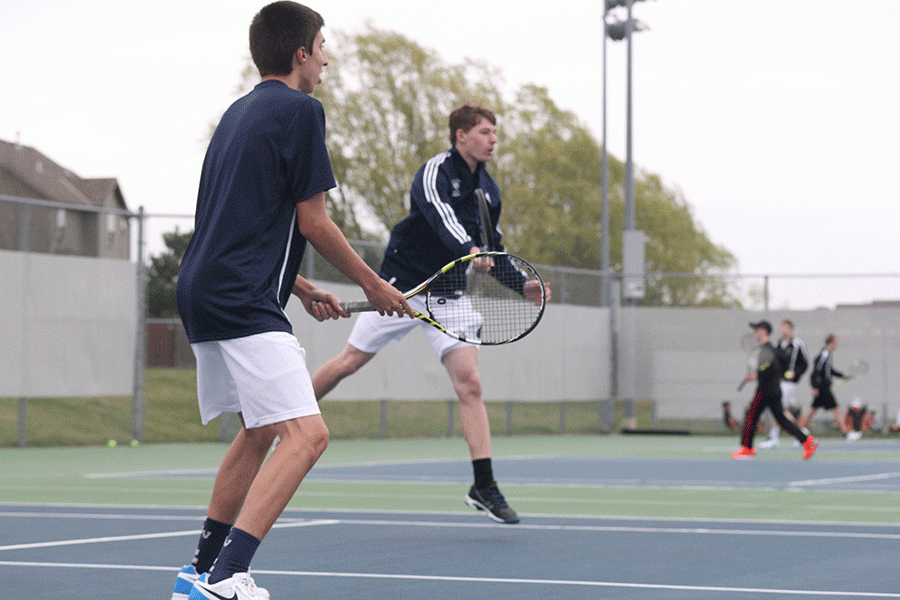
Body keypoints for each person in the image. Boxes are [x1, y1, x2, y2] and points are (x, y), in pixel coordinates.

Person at [170, 4, 413, 599]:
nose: (328, 58)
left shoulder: (236, 114)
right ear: (301, 53)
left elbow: (231, 218)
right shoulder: (303, 111)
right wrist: (375, 286)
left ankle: (197, 574)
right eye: (323, 46)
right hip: (240, 296)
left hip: (202, 288)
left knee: (258, 429)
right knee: (307, 436)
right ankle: (227, 577)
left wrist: (301, 287)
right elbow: (315, 222)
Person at [311, 104, 550, 525]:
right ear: (461, 135)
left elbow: (491, 242)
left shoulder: (490, 191)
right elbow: (440, 217)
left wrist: (520, 284)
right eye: (486, 131)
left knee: (470, 385)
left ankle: (483, 485)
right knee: (348, 363)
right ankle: (283, 417)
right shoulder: (435, 171)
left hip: (449, 295)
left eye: (495, 132)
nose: (494, 139)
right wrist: (468, 251)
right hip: (401, 286)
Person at [732, 321, 818, 460]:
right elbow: (777, 368)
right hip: (774, 389)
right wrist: (755, 376)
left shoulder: (768, 349)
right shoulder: (772, 348)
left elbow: (769, 370)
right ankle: (807, 442)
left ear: (764, 331)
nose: (754, 332)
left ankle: (747, 448)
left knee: (751, 416)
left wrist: (757, 376)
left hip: (765, 390)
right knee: (782, 419)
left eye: (757, 329)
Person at [758, 319, 809, 448]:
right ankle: (801, 433)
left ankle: (776, 436)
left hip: (790, 383)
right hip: (779, 382)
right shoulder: (776, 344)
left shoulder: (797, 344)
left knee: (778, 410)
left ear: (791, 329)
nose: (784, 330)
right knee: (779, 410)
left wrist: (795, 374)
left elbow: (805, 363)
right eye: (782, 327)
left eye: (786, 328)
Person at [798, 334, 851, 435]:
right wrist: (816, 387)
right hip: (823, 388)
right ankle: (845, 433)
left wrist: (842, 375)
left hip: (823, 387)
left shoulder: (828, 355)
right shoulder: (824, 354)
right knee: (836, 410)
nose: (837, 345)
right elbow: (816, 372)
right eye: (836, 342)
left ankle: (799, 430)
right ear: (831, 342)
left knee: (812, 411)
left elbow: (830, 370)